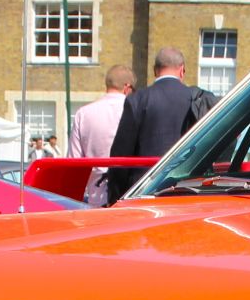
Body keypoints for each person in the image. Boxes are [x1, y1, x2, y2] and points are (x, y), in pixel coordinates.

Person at [104, 47, 203, 203]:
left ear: (155, 70)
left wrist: (114, 197)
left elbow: (121, 154)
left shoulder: (137, 100)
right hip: (186, 190)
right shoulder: (197, 99)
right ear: (182, 70)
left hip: (143, 191)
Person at [69, 65, 135, 205]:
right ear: (127, 87)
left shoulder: (84, 113)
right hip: (129, 196)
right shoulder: (136, 110)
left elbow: (73, 163)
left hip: (96, 198)